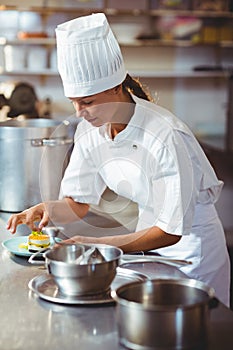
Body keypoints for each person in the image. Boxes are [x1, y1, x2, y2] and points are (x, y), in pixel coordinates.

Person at [7, 13, 230, 307]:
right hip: (149, 251)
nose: (79, 113)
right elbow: (78, 203)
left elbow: (171, 231)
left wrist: (98, 244)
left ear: (116, 88)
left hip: (193, 259)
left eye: (87, 102)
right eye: (74, 102)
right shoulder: (90, 130)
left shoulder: (166, 135)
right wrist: (45, 209)